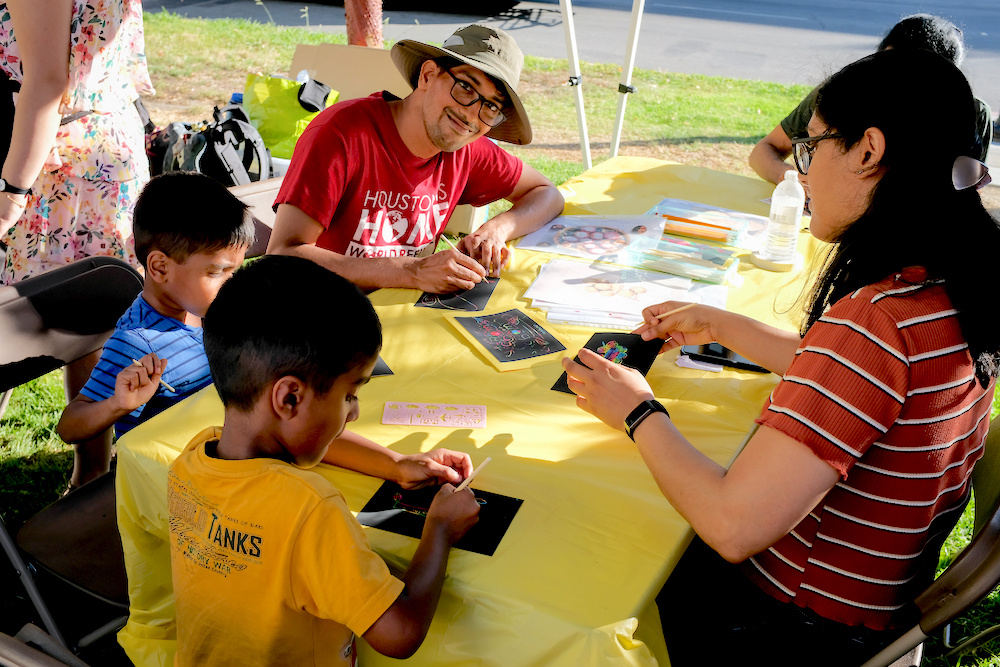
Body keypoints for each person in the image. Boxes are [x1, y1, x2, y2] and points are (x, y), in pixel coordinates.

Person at [563, 49, 998, 665]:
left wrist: (638, 412)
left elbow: (732, 526)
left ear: (869, 151)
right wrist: (725, 324)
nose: (801, 173)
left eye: (812, 148)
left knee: (593, 544)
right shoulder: (948, 282)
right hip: (870, 606)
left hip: (791, 628)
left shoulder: (876, 321)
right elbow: (860, 383)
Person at [168, 254, 481, 665]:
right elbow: (400, 632)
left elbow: (311, 439)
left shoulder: (193, 459)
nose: (353, 413)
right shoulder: (310, 510)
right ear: (290, 397)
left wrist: (394, 464)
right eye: (349, 394)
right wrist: (439, 528)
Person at [266, 24, 564, 294]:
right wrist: (412, 270)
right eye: (465, 87)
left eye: (491, 106)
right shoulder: (341, 134)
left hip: (397, 317)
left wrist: (496, 230)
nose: (471, 114)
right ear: (427, 75)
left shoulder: (466, 150)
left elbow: (547, 194)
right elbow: (283, 254)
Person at [1, 0, 154, 488]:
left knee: (20, 316)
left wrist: (11, 192)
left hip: (49, 155)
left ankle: (90, 477)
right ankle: (90, 477)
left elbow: (46, 82)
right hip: (100, 144)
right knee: (91, 313)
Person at [56, 172, 254, 489]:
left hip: (227, 460)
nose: (232, 283)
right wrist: (118, 404)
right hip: (181, 487)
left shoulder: (203, 308)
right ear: (160, 267)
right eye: (217, 272)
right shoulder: (139, 343)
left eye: (236, 269)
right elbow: (70, 426)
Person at [749, 14, 993, 185]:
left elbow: (963, 196)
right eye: (886, 64)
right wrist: (794, 181)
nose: (891, 79)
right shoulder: (843, 91)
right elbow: (764, 151)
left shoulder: (970, 115)